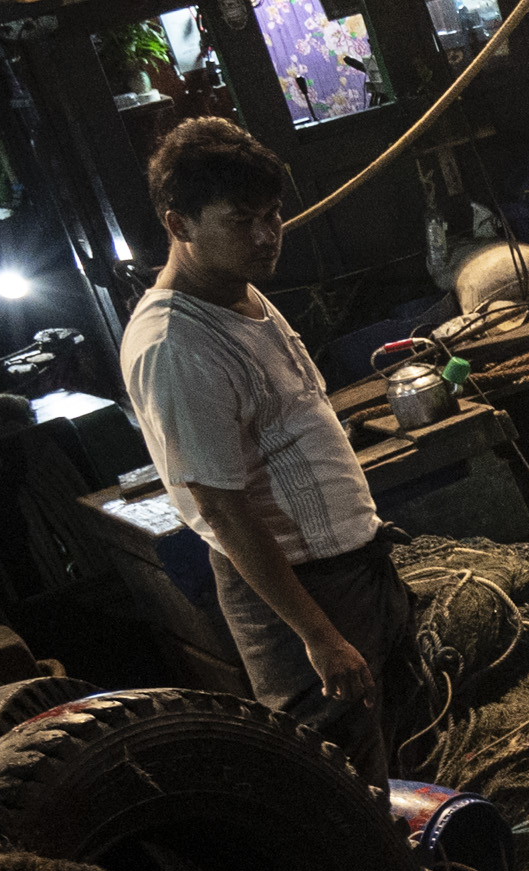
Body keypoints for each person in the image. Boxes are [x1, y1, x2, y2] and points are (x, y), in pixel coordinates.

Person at [117, 117, 421, 776]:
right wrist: (317, 635)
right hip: (297, 593)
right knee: (340, 774)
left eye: (272, 215)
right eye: (240, 221)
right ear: (179, 225)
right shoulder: (176, 345)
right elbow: (223, 509)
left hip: (352, 567)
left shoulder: (241, 294)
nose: (265, 237)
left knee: (402, 742)